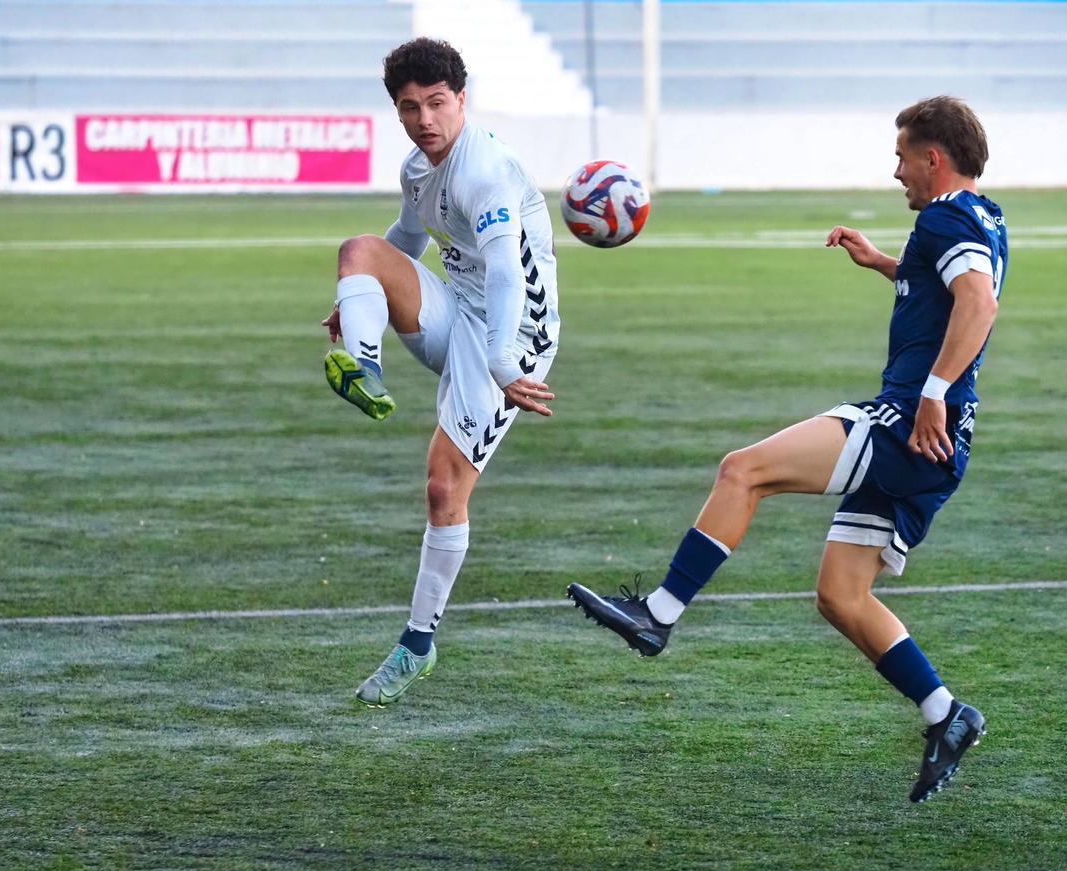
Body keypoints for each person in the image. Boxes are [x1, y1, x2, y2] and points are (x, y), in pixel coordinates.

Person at [567, 96, 1007, 803]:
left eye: (902, 157)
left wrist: (932, 391)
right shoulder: (983, 215)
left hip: (909, 425)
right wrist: (883, 264)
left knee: (745, 470)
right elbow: (948, 286)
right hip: (939, 442)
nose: (895, 171)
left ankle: (659, 615)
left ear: (935, 157)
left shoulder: (946, 215)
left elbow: (978, 303)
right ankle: (946, 714)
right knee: (840, 594)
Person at [323, 38, 560, 707]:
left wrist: (504, 363)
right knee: (358, 250)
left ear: (461, 99)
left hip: (513, 338)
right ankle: (363, 365)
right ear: (396, 110)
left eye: (436, 102)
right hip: (455, 310)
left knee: (442, 489)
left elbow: (510, 274)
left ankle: (416, 647)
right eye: (409, 107)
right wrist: (357, 297)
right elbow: (404, 243)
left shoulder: (484, 172)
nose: (425, 118)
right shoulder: (418, 169)